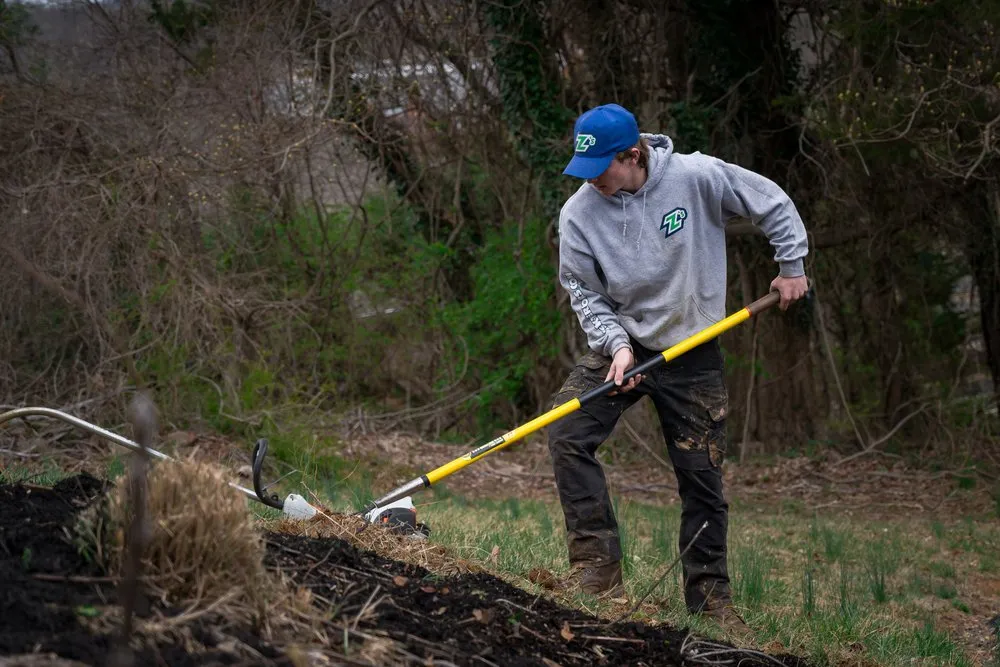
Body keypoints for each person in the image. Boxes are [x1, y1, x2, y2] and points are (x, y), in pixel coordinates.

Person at [549, 103, 809, 632]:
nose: (593, 179)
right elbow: (582, 291)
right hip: (623, 343)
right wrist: (618, 347)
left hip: (695, 346)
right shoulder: (578, 214)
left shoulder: (696, 177)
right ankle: (597, 573)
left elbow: (772, 202)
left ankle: (710, 598)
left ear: (633, 154)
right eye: (585, 169)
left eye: (603, 167)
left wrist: (790, 266)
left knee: (702, 476)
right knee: (566, 433)